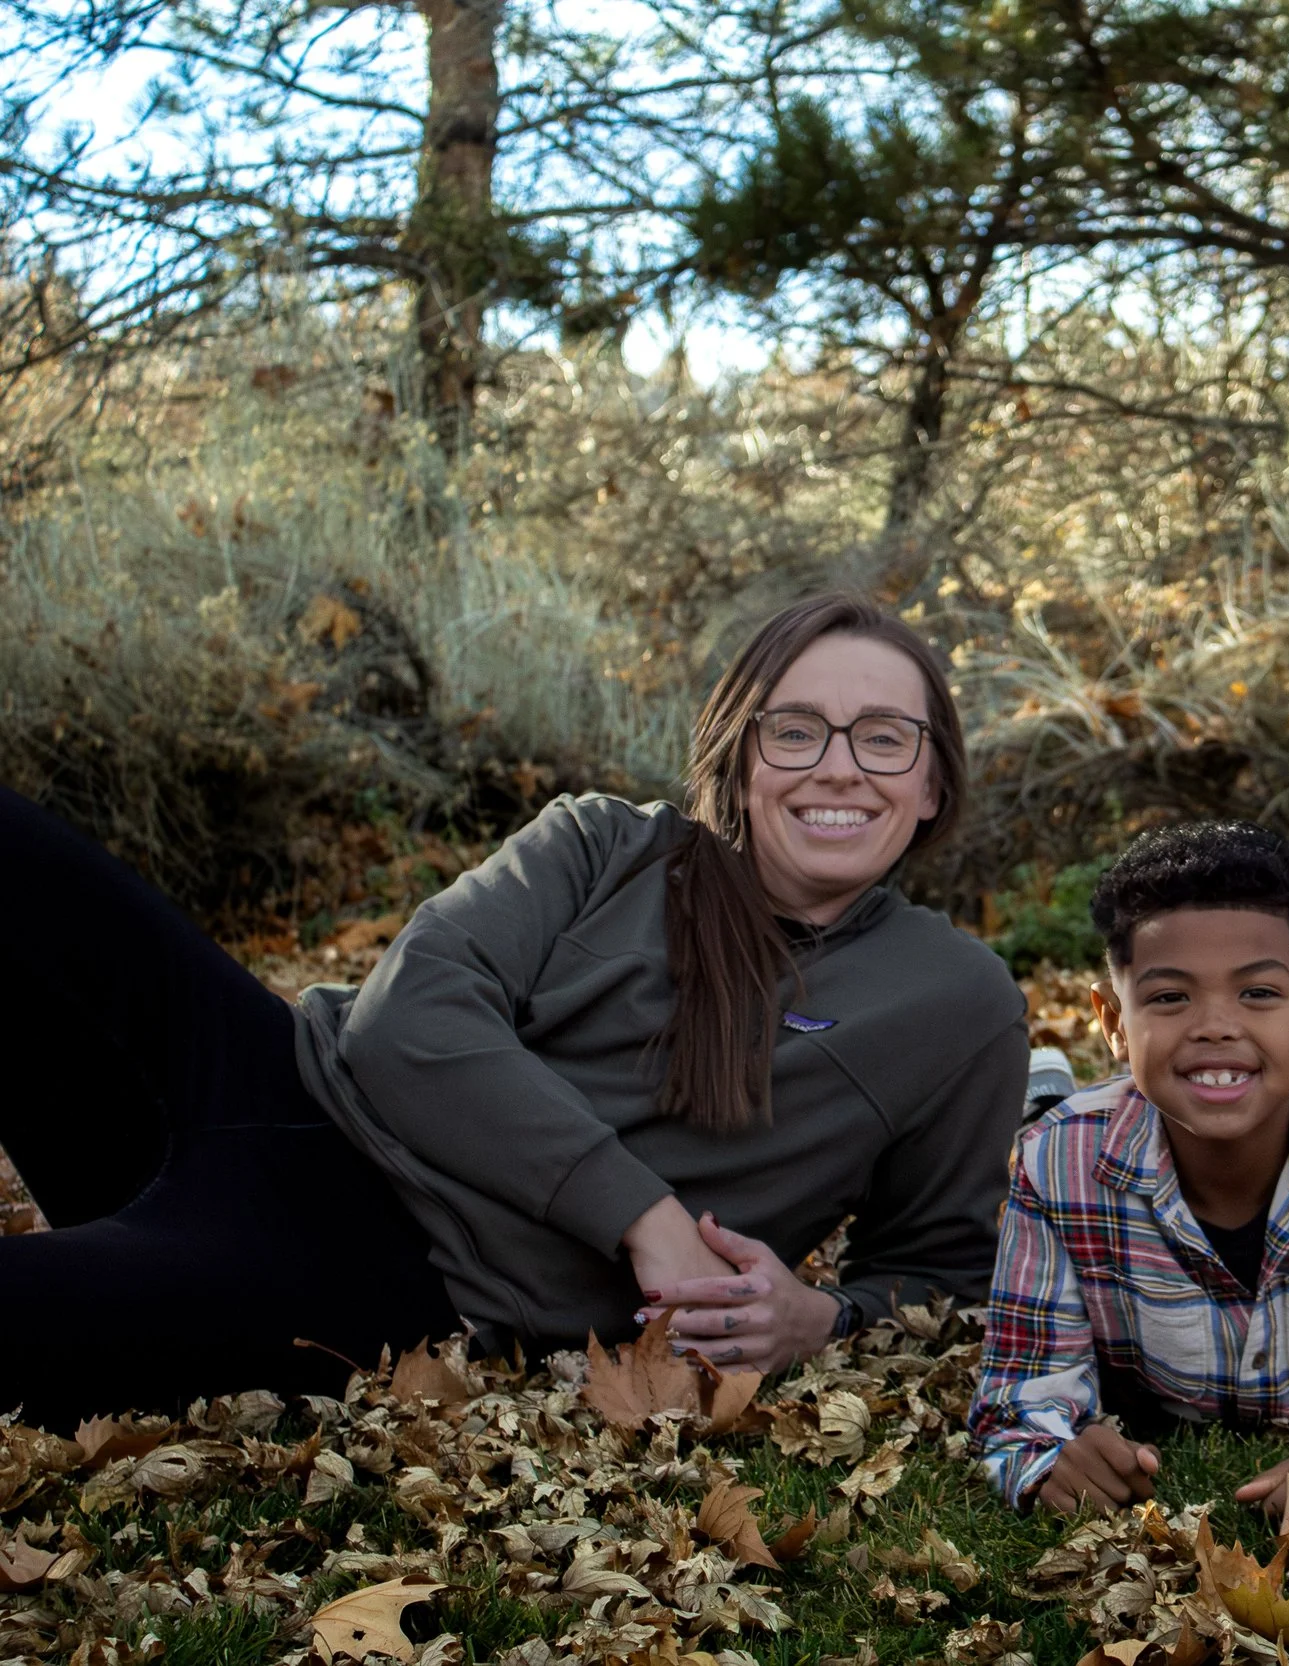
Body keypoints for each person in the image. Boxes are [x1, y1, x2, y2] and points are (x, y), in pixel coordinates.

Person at [0, 594, 1029, 1430]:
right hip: (275, 1080)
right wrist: (646, 1218)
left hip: (390, 1271)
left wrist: (819, 1315)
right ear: (742, 754)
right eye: (797, 730)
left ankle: (114, 1279)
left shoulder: (955, 1000)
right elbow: (405, 1017)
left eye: (885, 739)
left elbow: (940, 1273)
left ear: (935, 778)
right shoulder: (600, 844)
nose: (838, 766)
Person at [970, 822, 1289, 1514]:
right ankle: (1048, 1093)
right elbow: (1020, 1392)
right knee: (1051, 1130)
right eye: (1169, 998)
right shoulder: (1056, 1165)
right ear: (1114, 1023)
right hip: (1096, 1136)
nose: (1216, 1025)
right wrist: (1044, 1458)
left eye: (1259, 994)